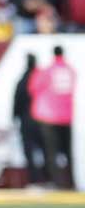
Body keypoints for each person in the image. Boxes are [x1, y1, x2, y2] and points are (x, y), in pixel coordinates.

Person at [29, 46, 76, 189]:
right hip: (67, 117)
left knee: (51, 152)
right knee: (68, 152)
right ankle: (70, 182)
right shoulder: (70, 71)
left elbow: (33, 88)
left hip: (49, 117)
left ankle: (57, 182)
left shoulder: (47, 71)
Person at [13, 54, 45, 186]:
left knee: (29, 150)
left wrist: (14, 116)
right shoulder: (41, 78)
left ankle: (34, 178)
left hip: (27, 120)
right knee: (45, 150)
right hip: (42, 119)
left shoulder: (24, 79)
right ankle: (46, 177)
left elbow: (17, 100)